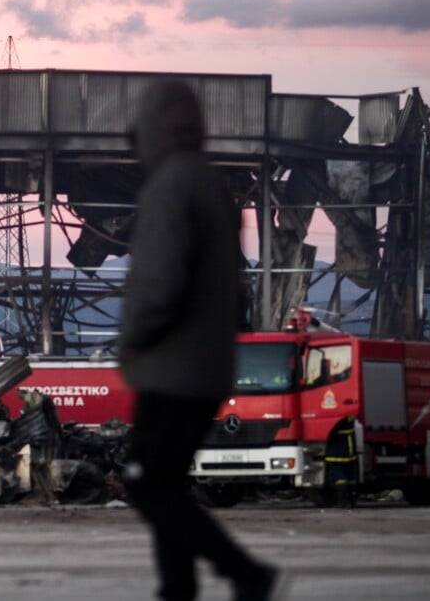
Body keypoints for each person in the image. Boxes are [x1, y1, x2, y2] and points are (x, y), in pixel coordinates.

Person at [119, 80, 289, 601]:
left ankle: (244, 572)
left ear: (153, 128)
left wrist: (134, 337)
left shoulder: (171, 185)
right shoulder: (210, 185)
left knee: (148, 483)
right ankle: (178, 588)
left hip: (172, 364)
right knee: (166, 484)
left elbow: (160, 279)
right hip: (206, 363)